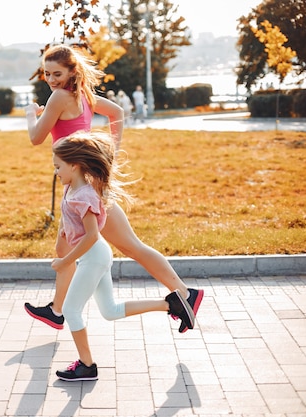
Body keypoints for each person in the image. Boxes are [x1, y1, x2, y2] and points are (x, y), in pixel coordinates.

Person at [24, 44, 203, 334]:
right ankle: (57, 310)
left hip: (85, 188)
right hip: (82, 183)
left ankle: (185, 294)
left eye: (57, 73)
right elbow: (116, 111)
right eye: (47, 73)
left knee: (132, 246)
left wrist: (31, 113)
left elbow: (35, 137)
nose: (51, 79)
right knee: (63, 245)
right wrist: (110, 151)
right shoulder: (81, 96)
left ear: (72, 71)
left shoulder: (58, 97)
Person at [51, 131, 194, 381]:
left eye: (58, 166)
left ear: (74, 166)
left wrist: (65, 261)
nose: (56, 172)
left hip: (94, 256)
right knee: (110, 310)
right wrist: (65, 230)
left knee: (71, 310)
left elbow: (92, 236)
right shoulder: (71, 189)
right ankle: (171, 305)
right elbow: (73, 223)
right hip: (93, 257)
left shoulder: (84, 195)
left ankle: (87, 365)